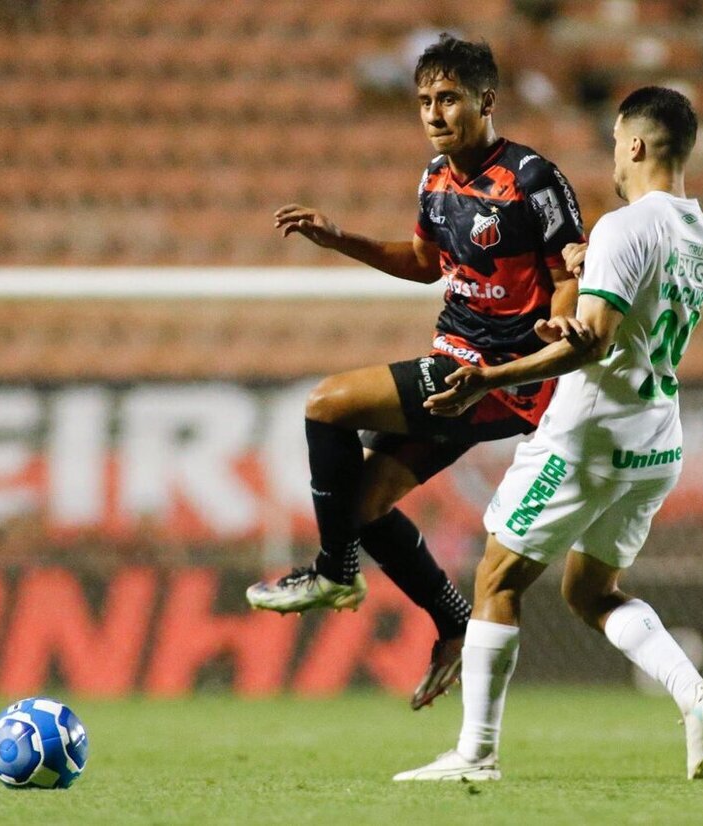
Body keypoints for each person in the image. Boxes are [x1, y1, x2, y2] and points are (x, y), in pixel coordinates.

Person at [393, 86, 703, 780]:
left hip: (588, 434)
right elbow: (620, 322)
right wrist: (576, 299)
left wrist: (489, 378)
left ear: (633, 145)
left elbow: (592, 346)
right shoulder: (701, 233)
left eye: (614, 140)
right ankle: (694, 698)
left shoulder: (622, 227)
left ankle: (474, 754)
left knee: (496, 577)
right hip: (656, 437)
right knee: (589, 591)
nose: (612, 153)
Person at [245, 33, 587, 710]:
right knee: (364, 508)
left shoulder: (531, 178)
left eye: (448, 98)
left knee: (327, 403)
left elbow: (565, 270)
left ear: (485, 100)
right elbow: (424, 262)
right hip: (455, 361)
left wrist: (556, 323)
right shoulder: (435, 178)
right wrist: (340, 240)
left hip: (502, 376)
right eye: (424, 100)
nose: (434, 113)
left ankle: (332, 570)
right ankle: (453, 621)